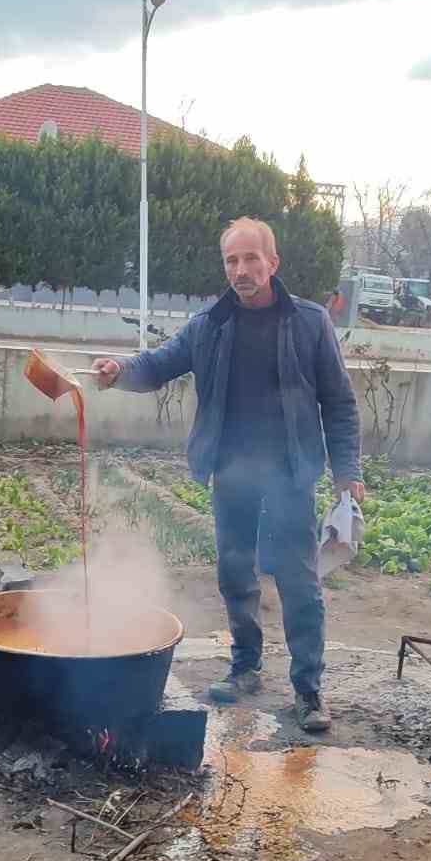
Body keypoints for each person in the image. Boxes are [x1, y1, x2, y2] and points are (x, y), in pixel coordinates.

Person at [93, 217, 362, 732]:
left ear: (272, 262)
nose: (240, 270)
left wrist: (347, 470)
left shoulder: (309, 322)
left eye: (250, 258)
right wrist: (119, 371)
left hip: (290, 474)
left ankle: (309, 692)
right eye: (231, 261)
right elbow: (159, 363)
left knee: (299, 583)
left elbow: (340, 402)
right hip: (231, 473)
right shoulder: (210, 325)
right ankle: (245, 668)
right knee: (235, 574)